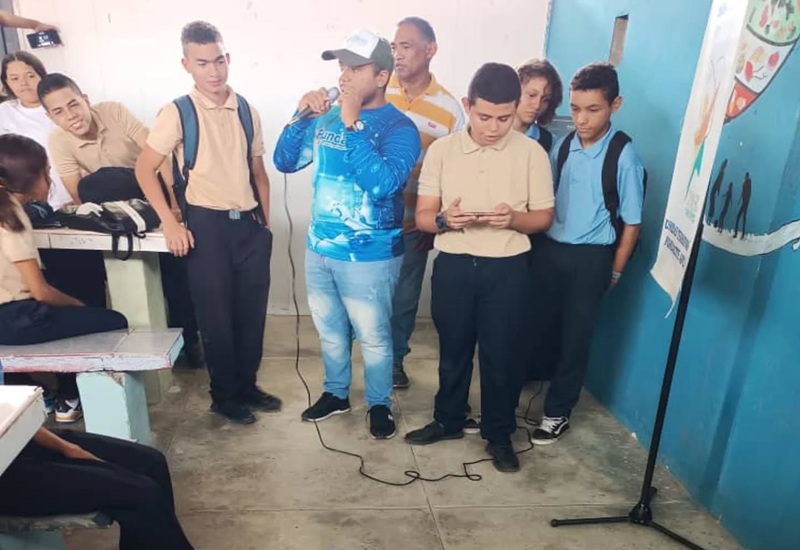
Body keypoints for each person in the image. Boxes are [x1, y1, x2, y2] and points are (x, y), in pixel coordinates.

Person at [404, 63, 555, 473]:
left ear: (516, 108)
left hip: (508, 268)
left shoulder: (531, 154)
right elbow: (423, 217)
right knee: (453, 351)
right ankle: (448, 419)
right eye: (484, 116)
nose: (493, 127)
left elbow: (543, 217)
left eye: (504, 118)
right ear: (467, 105)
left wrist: (514, 219)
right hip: (454, 265)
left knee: (501, 356)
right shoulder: (442, 151)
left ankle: (499, 433)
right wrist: (445, 220)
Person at [273, 29, 420, 440]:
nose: (344, 76)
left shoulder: (400, 128)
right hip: (320, 248)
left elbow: (382, 184)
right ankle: (336, 393)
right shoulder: (325, 118)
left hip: (370, 255)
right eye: (342, 66)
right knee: (331, 331)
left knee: (373, 336)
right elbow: (284, 161)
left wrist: (353, 124)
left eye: (355, 68)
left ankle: (379, 403)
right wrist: (301, 115)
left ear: (382, 76)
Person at [136, 21, 279, 425]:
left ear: (227, 58)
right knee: (216, 317)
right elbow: (145, 168)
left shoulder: (246, 109)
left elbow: (259, 172)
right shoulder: (178, 112)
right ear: (187, 64)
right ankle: (224, 396)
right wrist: (171, 223)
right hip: (206, 225)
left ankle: (247, 386)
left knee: (251, 314)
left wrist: (265, 224)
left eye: (218, 61)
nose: (213, 71)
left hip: (248, 225)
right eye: (202, 63)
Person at [38, 72, 202, 369]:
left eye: (73, 105)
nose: (70, 116)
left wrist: (173, 208)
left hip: (153, 196)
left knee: (176, 272)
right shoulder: (58, 140)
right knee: (95, 192)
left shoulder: (114, 111)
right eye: (58, 112)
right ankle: (106, 345)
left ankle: (189, 340)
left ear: (85, 100)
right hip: (113, 212)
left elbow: (160, 157)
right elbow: (80, 194)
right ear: (50, 117)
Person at [529, 62, 645, 445]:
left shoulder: (624, 157)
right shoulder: (563, 147)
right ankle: (526, 389)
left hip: (592, 259)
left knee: (575, 339)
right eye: (576, 109)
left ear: (615, 105)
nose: (581, 119)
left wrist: (615, 271)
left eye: (593, 109)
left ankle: (557, 413)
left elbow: (632, 224)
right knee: (538, 326)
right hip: (551, 251)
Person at [0, 133, 128, 421]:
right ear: (33, 178)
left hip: (9, 319)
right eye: (47, 172)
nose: (50, 178)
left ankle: (37, 391)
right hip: (15, 320)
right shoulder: (11, 216)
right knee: (114, 321)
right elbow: (41, 292)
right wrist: (79, 306)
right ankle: (73, 397)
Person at [0, 360, 194, 549]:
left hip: (17, 437)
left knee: (151, 463)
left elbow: (13, 411)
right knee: (142, 495)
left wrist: (68, 448)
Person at [386, 16, 464, 391]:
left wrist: (434, 222)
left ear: (430, 49)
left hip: (413, 223)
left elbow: (454, 171)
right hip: (369, 222)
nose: (398, 55)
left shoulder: (449, 109)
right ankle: (358, 364)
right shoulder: (377, 89)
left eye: (406, 46)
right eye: (394, 47)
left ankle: (394, 361)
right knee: (364, 298)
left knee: (403, 298)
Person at [0, 52, 71, 208]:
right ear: (6, 82)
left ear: (41, 76)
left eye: (30, 76)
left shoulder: (61, 106)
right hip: (26, 199)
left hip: (68, 190)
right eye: (15, 79)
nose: (24, 83)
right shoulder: (4, 111)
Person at [514, 58, 563, 153]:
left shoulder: (550, 143)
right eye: (531, 95)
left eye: (545, 100)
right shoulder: (491, 133)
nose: (537, 105)